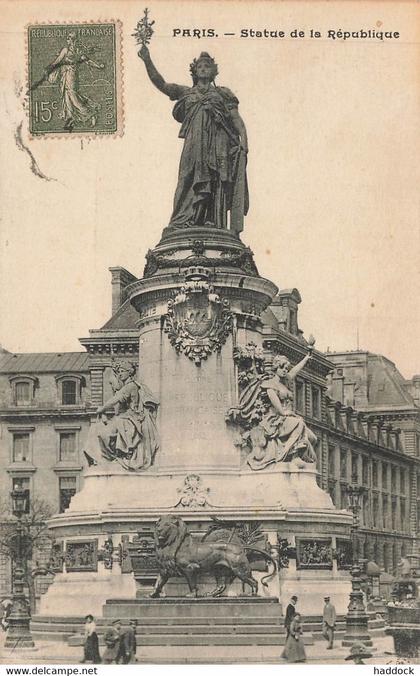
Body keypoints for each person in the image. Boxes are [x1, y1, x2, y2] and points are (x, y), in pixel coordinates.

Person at [138, 46, 248, 232]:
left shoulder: (222, 94)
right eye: (200, 66)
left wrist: (244, 140)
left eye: (207, 66)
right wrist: (147, 60)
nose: (203, 68)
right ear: (195, 71)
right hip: (194, 144)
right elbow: (162, 84)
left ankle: (211, 220)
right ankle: (182, 220)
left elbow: (236, 119)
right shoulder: (186, 93)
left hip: (218, 143)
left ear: (214, 71)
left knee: (215, 179)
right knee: (187, 176)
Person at [228, 351, 318, 469]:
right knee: (299, 424)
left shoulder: (285, 381)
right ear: (276, 368)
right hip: (275, 419)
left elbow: (294, 372)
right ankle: (290, 454)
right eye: (282, 367)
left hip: (287, 418)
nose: (285, 370)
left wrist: (306, 359)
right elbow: (279, 408)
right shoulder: (269, 385)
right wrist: (287, 413)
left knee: (313, 438)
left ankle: (299, 456)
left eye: (286, 368)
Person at [93, 361, 160, 472]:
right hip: (128, 416)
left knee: (110, 430)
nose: (120, 374)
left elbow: (116, 399)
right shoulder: (127, 386)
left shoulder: (130, 386)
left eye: (122, 371)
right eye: (118, 372)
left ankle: (123, 454)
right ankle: (119, 455)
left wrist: (102, 408)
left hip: (133, 417)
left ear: (130, 372)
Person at [43, 31, 104, 131]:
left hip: (71, 76)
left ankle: (90, 113)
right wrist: (50, 67)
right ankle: (71, 118)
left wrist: (98, 66)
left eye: (70, 38)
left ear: (74, 40)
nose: (68, 39)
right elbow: (57, 61)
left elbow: (87, 61)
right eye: (68, 38)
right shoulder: (67, 50)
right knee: (67, 96)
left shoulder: (74, 51)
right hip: (66, 75)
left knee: (73, 96)